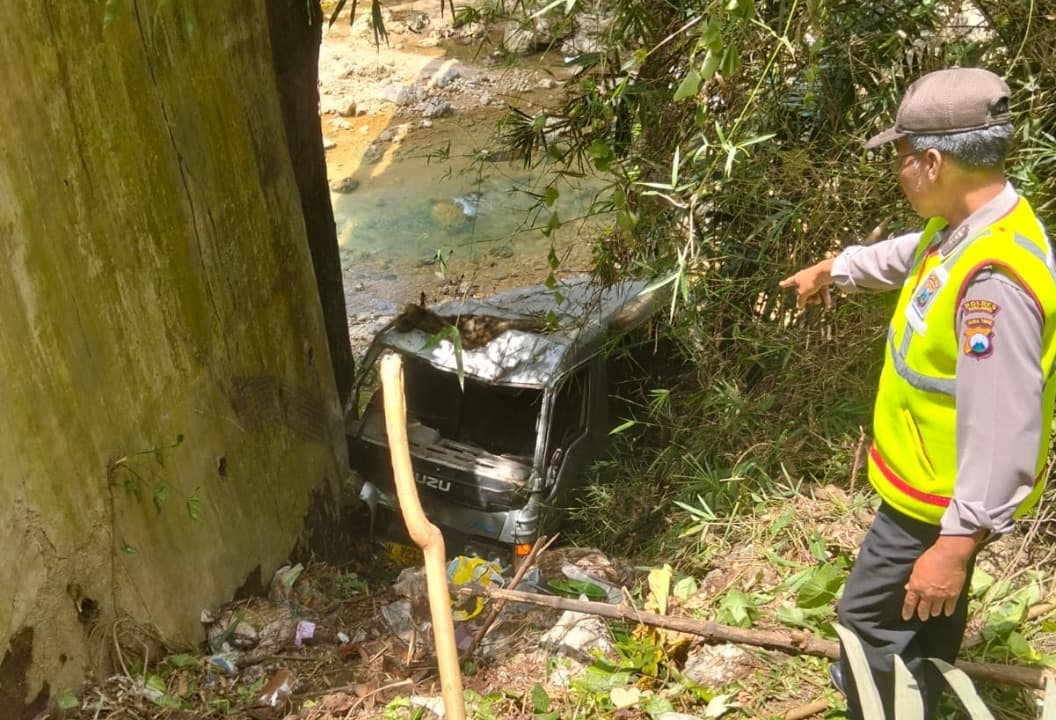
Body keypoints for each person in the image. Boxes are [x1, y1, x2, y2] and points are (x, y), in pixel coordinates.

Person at [780, 67, 1056, 718]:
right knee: (925, 616)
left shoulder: (993, 284)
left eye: (901, 157)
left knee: (866, 623)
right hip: (937, 489)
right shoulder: (970, 224)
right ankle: (919, 700)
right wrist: (838, 268)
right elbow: (915, 256)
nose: (898, 170)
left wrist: (956, 545)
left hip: (939, 502)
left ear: (933, 162)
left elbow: (1003, 425)